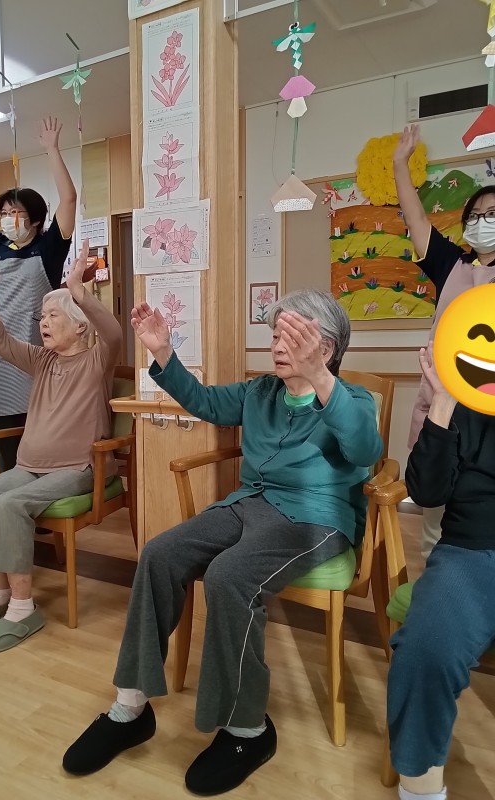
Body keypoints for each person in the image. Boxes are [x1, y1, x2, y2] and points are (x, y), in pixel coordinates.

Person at [62, 289, 383, 796]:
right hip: (250, 503)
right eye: (275, 334)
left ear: (325, 347)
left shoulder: (352, 399)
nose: (277, 344)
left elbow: (365, 448)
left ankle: (247, 729)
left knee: (230, 575)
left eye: (292, 336)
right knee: (159, 553)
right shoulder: (261, 392)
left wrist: (320, 377)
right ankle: (130, 708)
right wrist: (162, 352)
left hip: (316, 518)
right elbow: (206, 403)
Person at [0, 241, 122, 654]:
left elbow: (114, 333)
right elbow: (1, 342)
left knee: (11, 505)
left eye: (52, 316)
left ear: (80, 326)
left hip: (77, 468)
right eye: (41, 316)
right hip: (29, 467)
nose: (43, 322)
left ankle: (23, 607)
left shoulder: (96, 361)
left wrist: (79, 292)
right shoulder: (42, 360)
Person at [387, 341, 495, 800]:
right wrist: (443, 405)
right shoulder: (466, 397)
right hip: (470, 550)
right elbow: (426, 492)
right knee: (424, 651)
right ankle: (420, 791)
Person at [0, 117, 77, 471]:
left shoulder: (49, 248)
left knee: (42, 452)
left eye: (15, 212)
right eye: (3, 213)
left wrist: (52, 149)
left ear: (35, 219)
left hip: (36, 362)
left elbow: (69, 199)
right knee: (5, 455)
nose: (7, 219)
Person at [393, 123, 495, 561]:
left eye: (492, 214)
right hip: (443, 408)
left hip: (488, 418)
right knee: (435, 525)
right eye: (475, 215)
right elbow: (416, 219)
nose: (481, 222)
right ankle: (440, 585)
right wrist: (400, 164)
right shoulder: (451, 264)